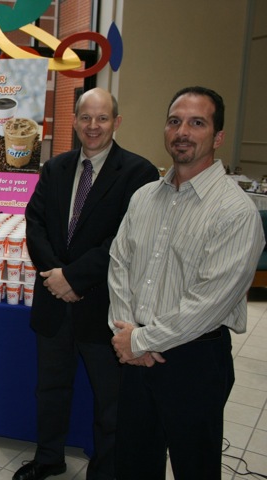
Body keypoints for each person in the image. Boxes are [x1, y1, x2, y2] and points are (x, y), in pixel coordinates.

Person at [108, 86, 264, 479]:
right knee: (133, 463)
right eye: (175, 121)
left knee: (195, 467)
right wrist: (127, 333)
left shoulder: (235, 211)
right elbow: (119, 263)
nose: (183, 132)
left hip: (194, 360)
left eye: (197, 123)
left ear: (218, 136)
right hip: (136, 350)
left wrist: (141, 342)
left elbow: (208, 302)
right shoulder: (144, 197)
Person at [18, 88, 158, 480]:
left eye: (102, 118)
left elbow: (124, 240)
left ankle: (105, 471)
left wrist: (74, 279)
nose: (93, 126)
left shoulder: (139, 173)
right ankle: (49, 458)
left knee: (110, 401)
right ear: (75, 121)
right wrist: (56, 277)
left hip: (104, 307)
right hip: (53, 303)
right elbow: (35, 223)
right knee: (50, 390)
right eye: (85, 117)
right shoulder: (54, 168)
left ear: (117, 121)